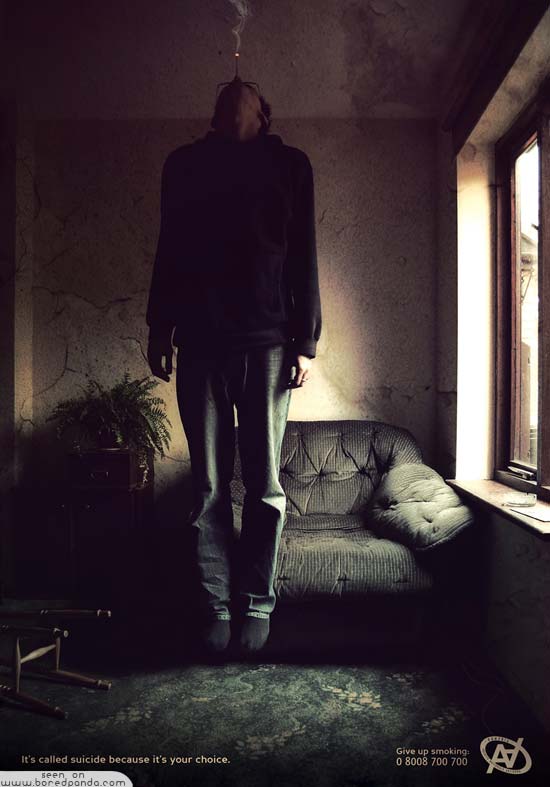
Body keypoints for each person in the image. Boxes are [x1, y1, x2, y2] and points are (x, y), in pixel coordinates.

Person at [146, 76, 322, 655]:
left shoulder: (291, 166)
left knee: (264, 484)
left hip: (268, 342)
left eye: (247, 93)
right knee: (208, 484)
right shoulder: (184, 165)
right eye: (225, 91)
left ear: (263, 114)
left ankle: (257, 602)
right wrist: (159, 328)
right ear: (216, 112)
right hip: (200, 343)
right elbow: (169, 248)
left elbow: (304, 254)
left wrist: (306, 341)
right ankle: (217, 604)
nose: (235, 87)